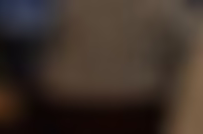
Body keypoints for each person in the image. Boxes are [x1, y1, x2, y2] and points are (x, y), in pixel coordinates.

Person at [36, 0, 198, 102]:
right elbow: (190, 46)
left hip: (62, 115)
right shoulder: (162, 6)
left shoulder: (61, 5)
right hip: (139, 118)